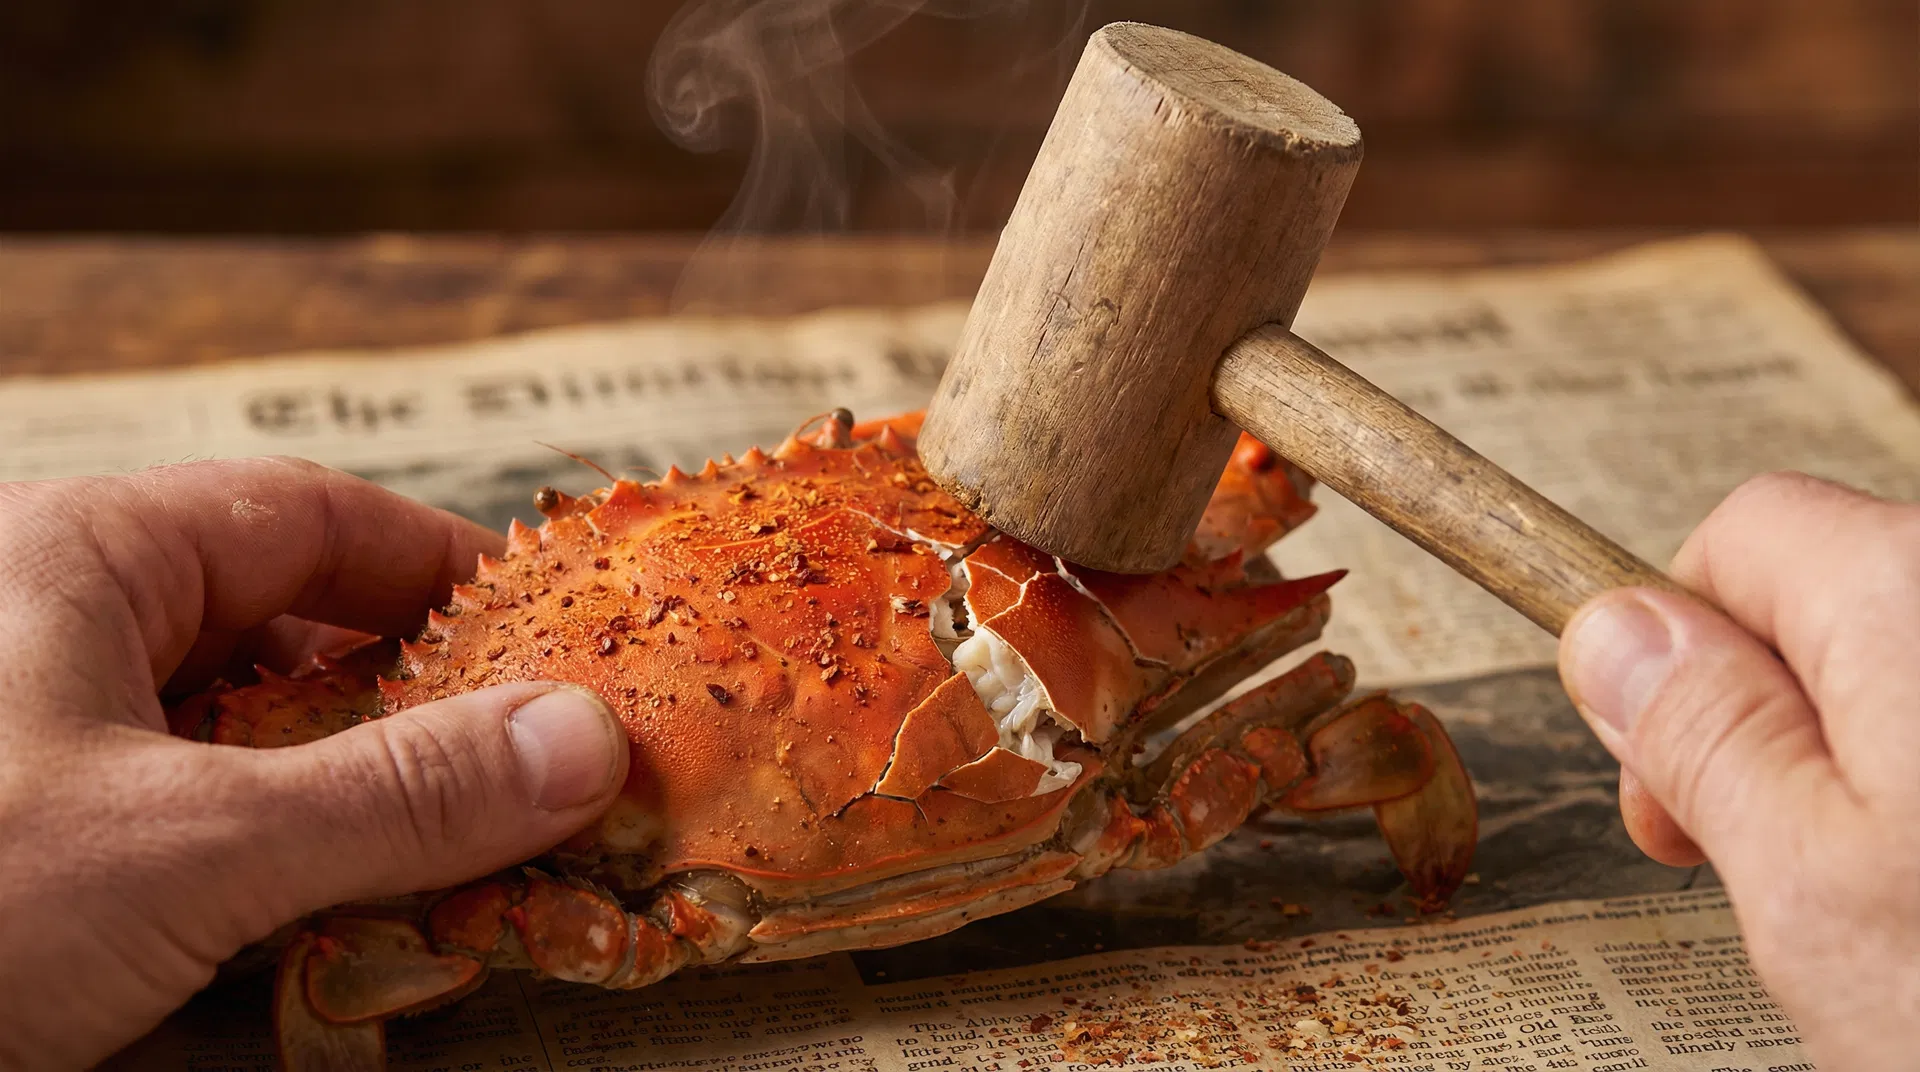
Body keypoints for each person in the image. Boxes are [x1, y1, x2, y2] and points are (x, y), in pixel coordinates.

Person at [0, 460, 1909, 1069]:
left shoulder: (471, 709)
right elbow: (1390, 743)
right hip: (1078, 814)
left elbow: (334, 981)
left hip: (1004, 818)